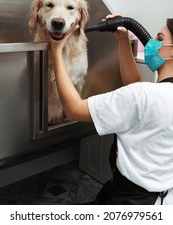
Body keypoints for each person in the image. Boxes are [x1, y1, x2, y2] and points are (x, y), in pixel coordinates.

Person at [50, 13, 173, 205]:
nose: (151, 43)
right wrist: (124, 40)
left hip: (129, 202)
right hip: (160, 198)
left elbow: (74, 109)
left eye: (159, 38)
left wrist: (56, 52)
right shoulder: (155, 93)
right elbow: (135, 86)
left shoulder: (144, 96)